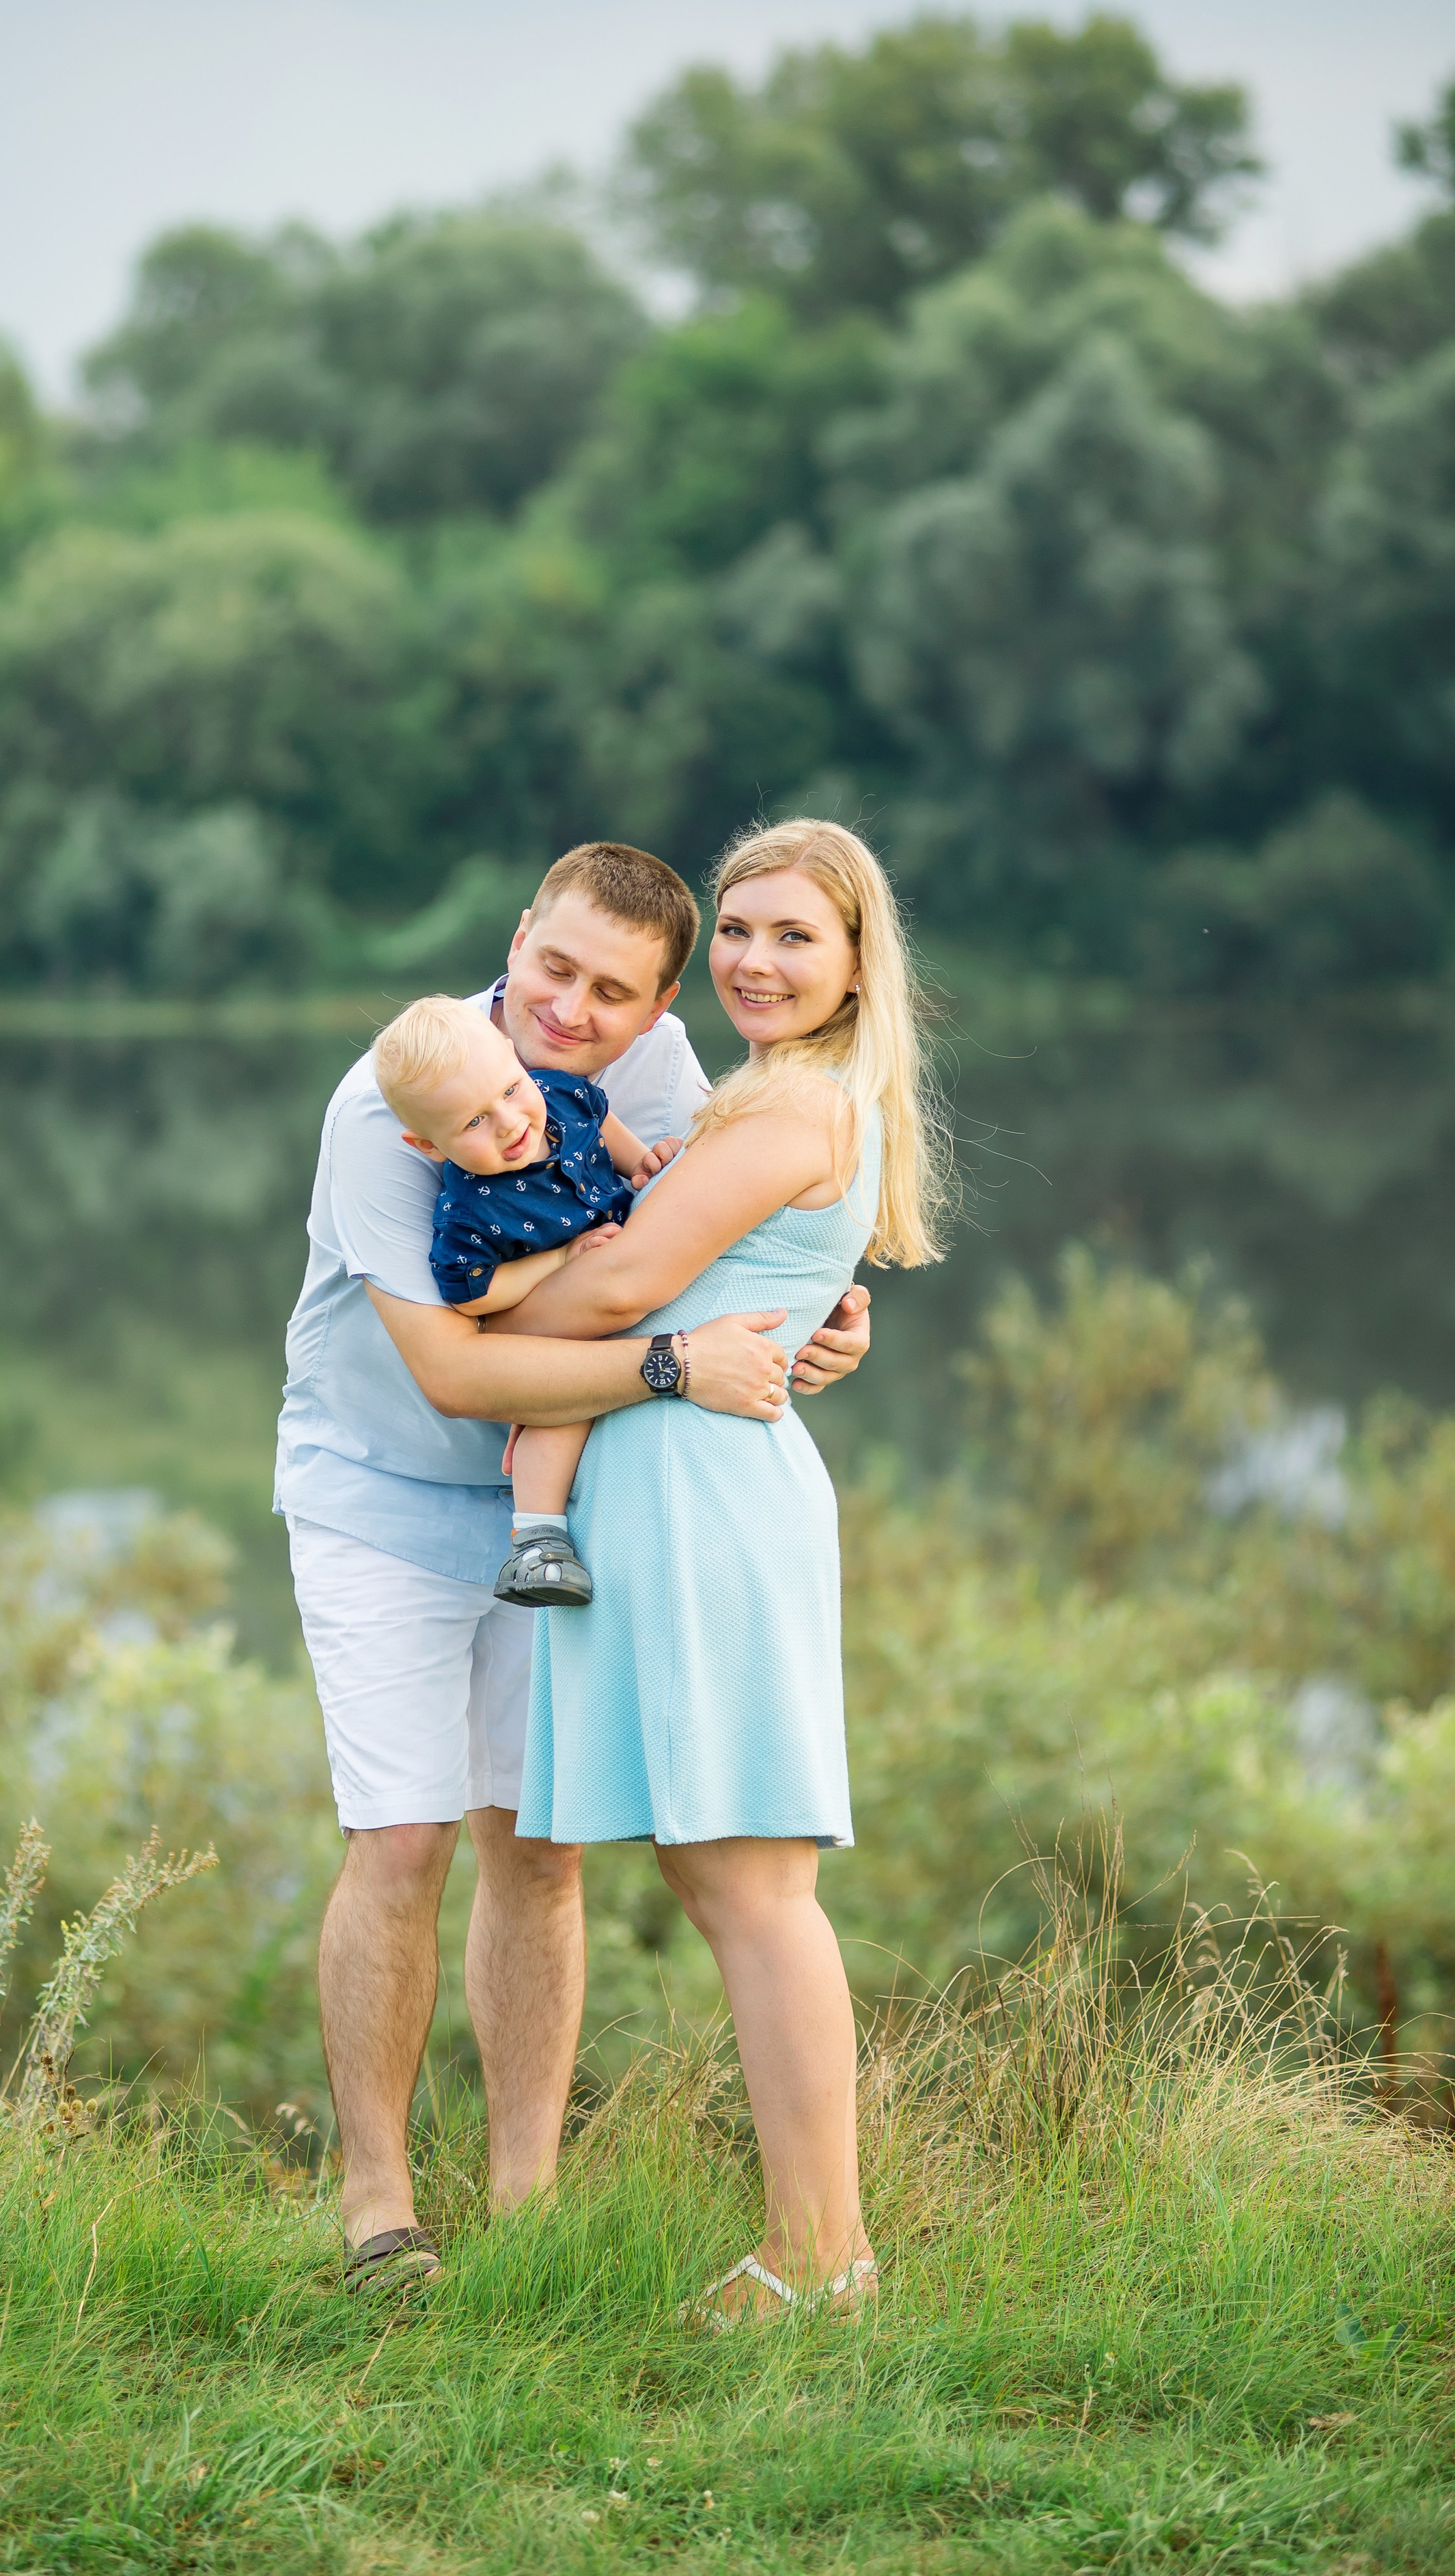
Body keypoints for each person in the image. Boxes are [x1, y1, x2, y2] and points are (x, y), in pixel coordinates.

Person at [273, 842, 874, 2296]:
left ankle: (526, 2206)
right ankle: (377, 2214)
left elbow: (715, 1243)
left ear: (659, 1002)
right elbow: (449, 1373)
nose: (567, 1010)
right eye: (550, 968)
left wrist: (814, 1324)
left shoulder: (680, 1072)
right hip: (385, 1492)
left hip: (566, 1500)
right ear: (515, 941)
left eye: (612, 990)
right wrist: (673, 1358)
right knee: (401, 1836)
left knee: (535, 1853)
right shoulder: (399, 1093)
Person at [498, 819, 943, 2325]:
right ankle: (819, 2252)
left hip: (704, 1491)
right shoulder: (760, 1098)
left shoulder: (795, 1109)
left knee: (754, 1888)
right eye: (738, 931)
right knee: (723, 1881)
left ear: (853, 964)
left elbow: (624, 1280)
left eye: (792, 938)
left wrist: (449, 1316)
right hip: (674, 1474)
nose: (754, 961)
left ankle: (823, 2257)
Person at [372, 991, 676, 1608]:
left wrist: (642, 1160)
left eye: (509, 1091)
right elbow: (470, 1295)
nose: (509, 1123)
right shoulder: (471, 1209)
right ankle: (537, 1542)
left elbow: (598, 1113)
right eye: (472, 1122)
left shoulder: (553, 1092)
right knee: (557, 1415)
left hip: (630, 1278)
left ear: (515, 1060)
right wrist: (558, 1261)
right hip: (556, 1329)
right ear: (428, 1146)